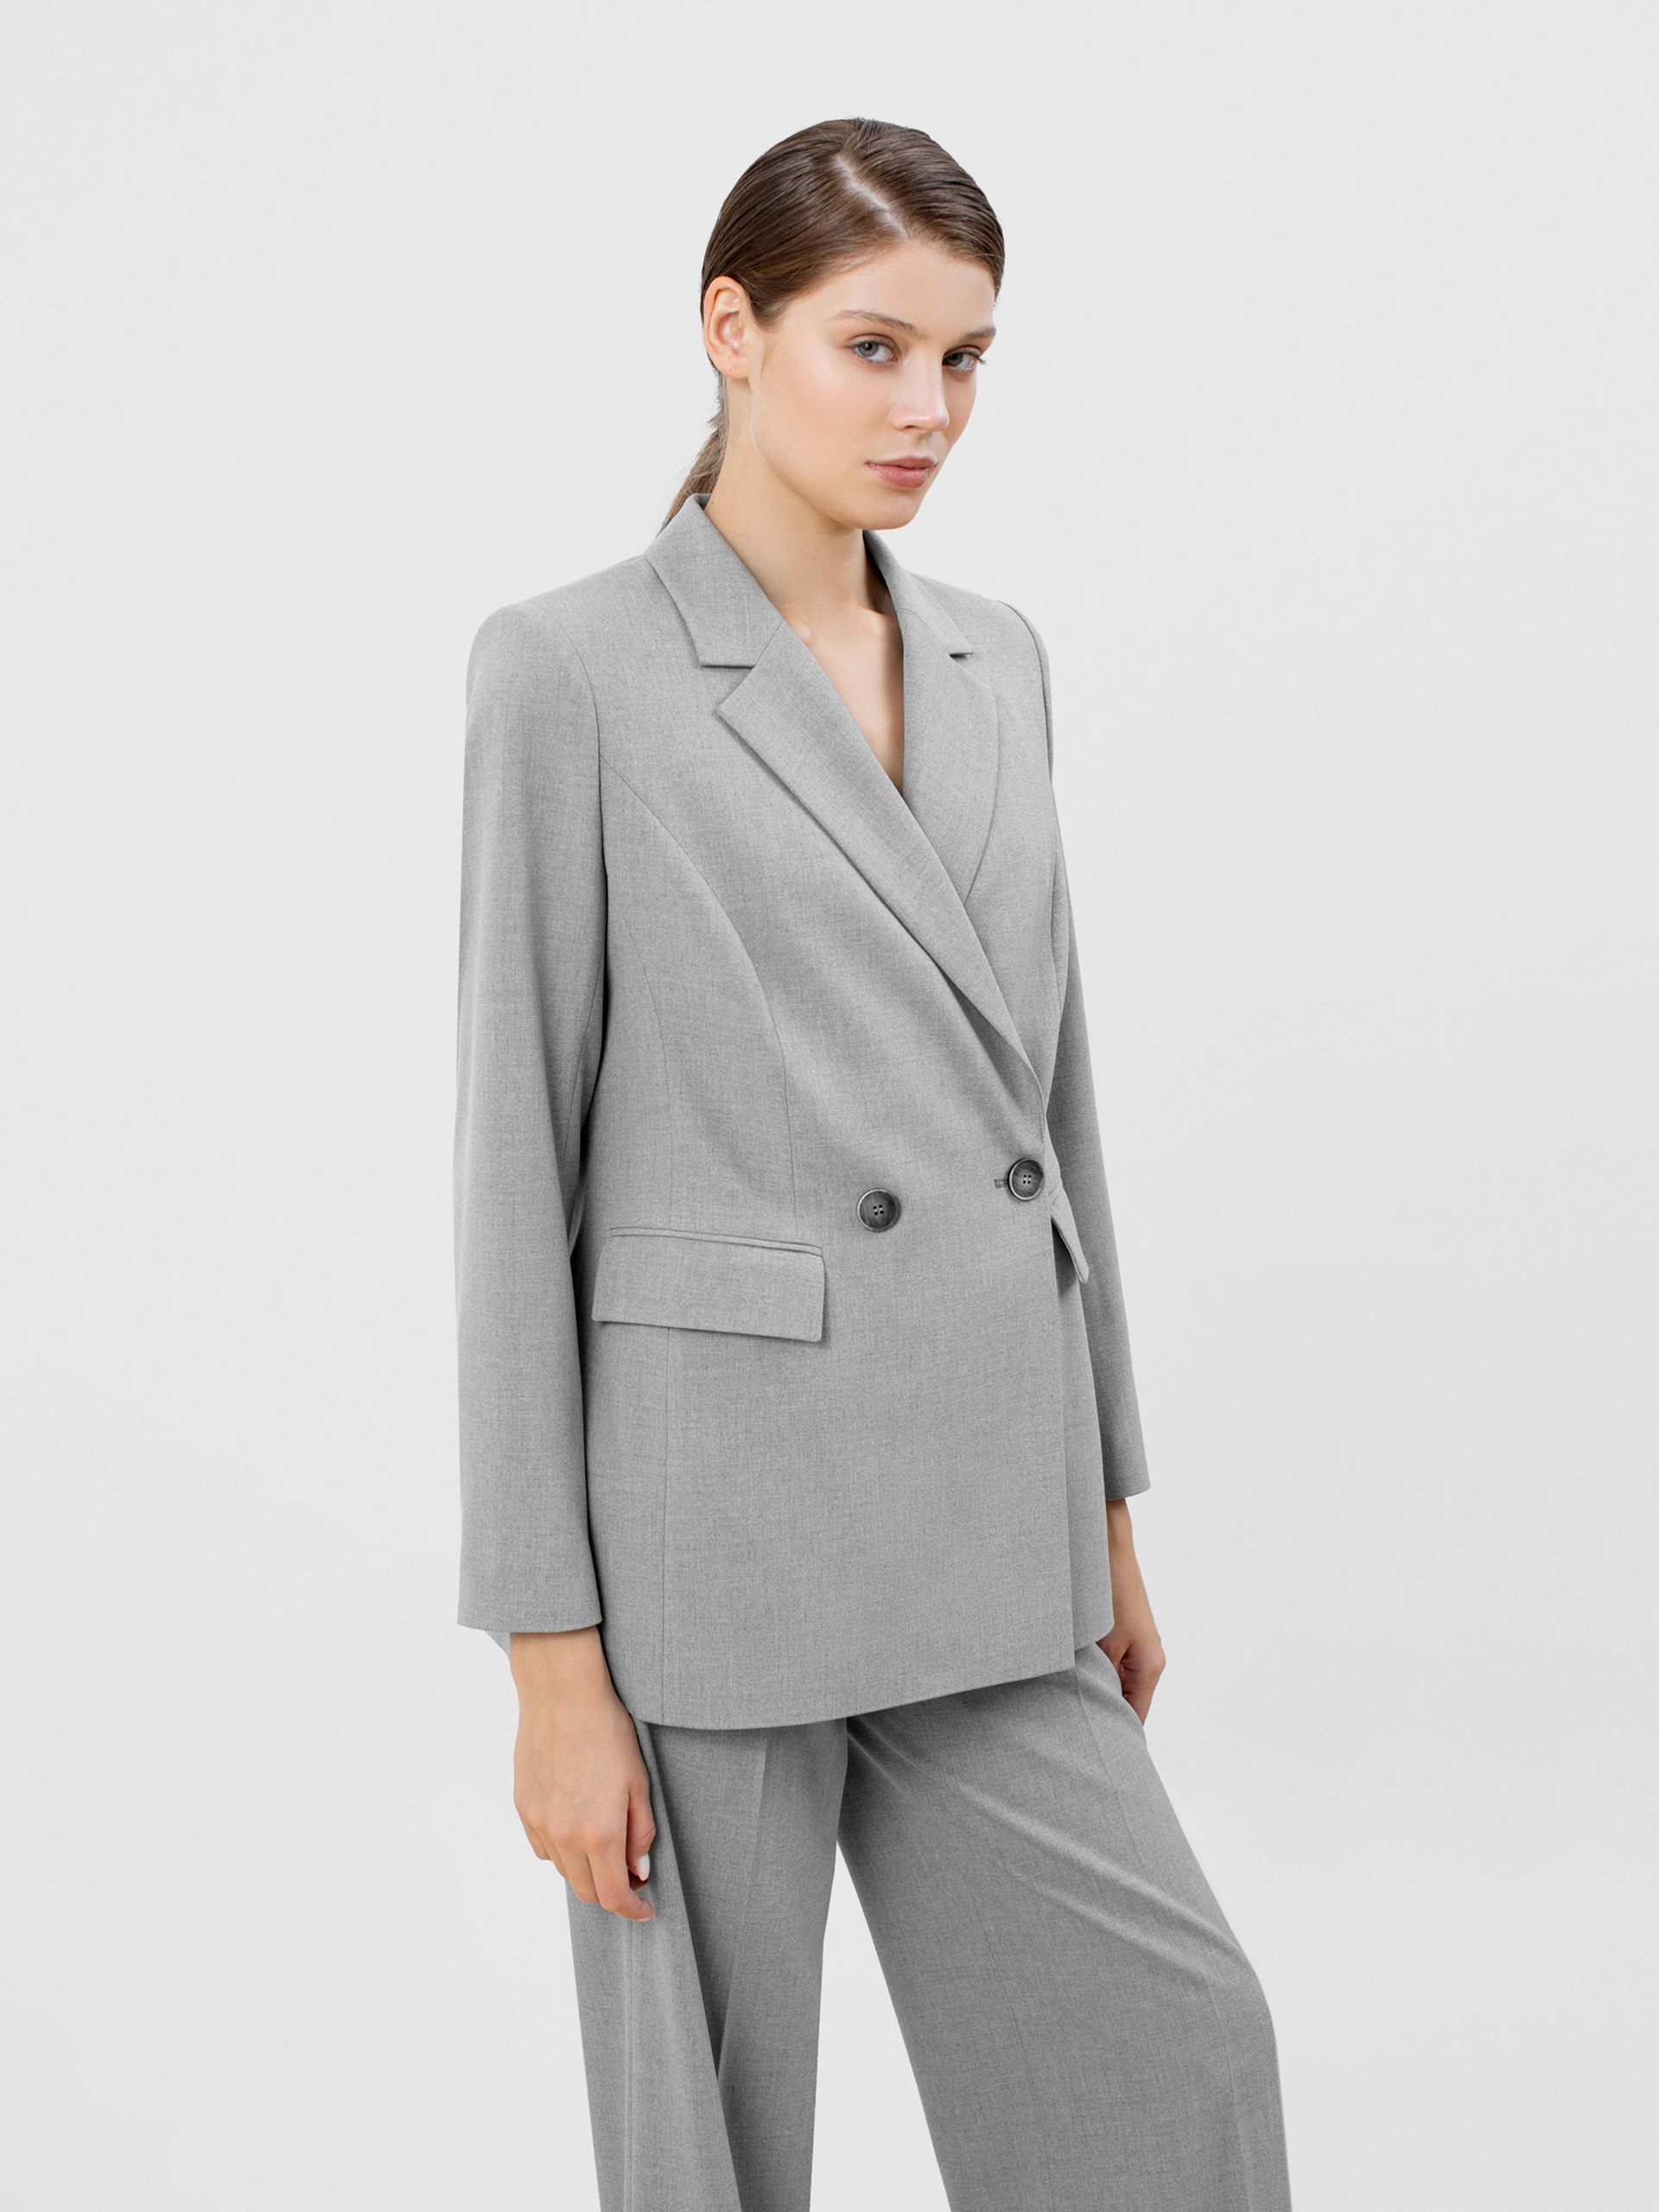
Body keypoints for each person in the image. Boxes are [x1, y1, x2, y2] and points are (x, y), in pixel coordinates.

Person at [454, 116, 1293, 2212]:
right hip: (713, 1548)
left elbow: (1051, 1107)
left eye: (967, 357)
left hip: (993, 1514)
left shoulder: (1001, 653)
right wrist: (551, 1662)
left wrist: (1103, 1504)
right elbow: (508, 1175)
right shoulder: (574, 667)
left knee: (1180, 2056)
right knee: (714, 2155)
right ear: (731, 331)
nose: (930, 407)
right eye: (875, 346)